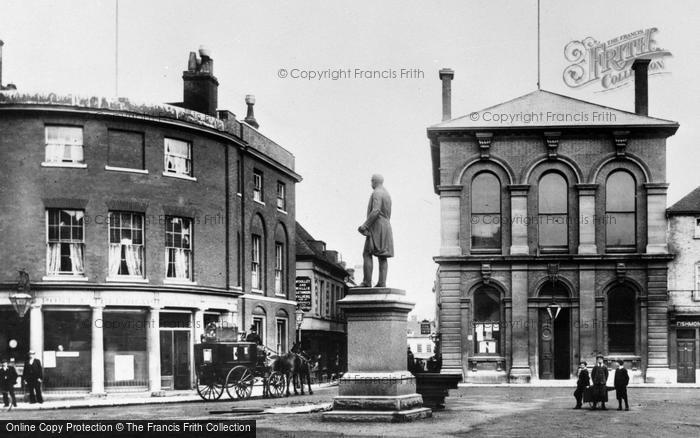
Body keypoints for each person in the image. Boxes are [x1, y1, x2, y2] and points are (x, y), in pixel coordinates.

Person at [358, 174, 394, 288]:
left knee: (367, 253)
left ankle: (367, 282)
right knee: (382, 256)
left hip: (377, 226)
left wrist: (365, 225)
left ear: (374, 181)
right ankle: (382, 283)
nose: (371, 184)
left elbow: (376, 210)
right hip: (386, 226)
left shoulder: (377, 193)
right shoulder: (387, 194)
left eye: (371, 181)